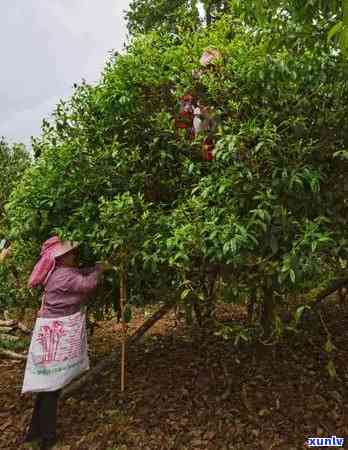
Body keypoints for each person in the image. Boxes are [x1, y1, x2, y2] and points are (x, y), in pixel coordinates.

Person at [22, 236, 111, 450]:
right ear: (62, 257)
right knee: (52, 388)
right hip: (55, 333)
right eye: (72, 253)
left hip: (49, 330)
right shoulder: (64, 276)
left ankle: (34, 432)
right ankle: (47, 437)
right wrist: (100, 269)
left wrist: (93, 267)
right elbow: (87, 283)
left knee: (46, 387)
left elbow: (79, 274)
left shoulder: (57, 273)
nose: (75, 256)